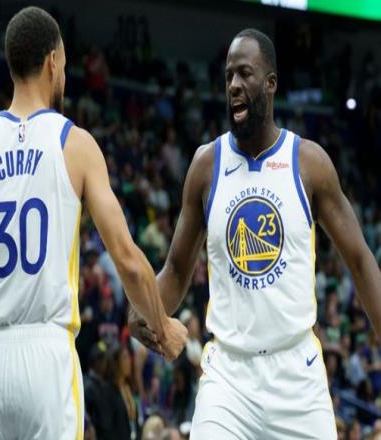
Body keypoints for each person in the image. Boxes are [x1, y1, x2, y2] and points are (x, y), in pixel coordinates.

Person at [0, 6, 187, 440]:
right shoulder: (75, 144)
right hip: (47, 355)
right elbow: (127, 259)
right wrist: (163, 327)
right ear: (53, 62)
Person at [130, 28, 381, 439]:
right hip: (228, 376)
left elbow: (359, 260)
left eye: (245, 73)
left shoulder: (309, 163)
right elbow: (175, 269)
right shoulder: (206, 165)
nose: (233, 84)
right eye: (228, 75)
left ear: (270, 83)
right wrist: (144, 307)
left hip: (297, 373)